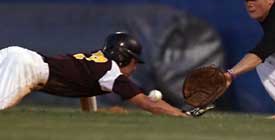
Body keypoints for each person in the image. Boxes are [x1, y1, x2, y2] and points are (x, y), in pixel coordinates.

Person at [0, 32, 187, 117]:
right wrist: (180, 115)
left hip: (16, 56)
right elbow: (146, 103)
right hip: (23, 67)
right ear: (123, 58)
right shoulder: (111, 72)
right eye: (134, 62)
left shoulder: (97, 62)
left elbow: (85, 88)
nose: (135, 68)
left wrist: (92, 116)